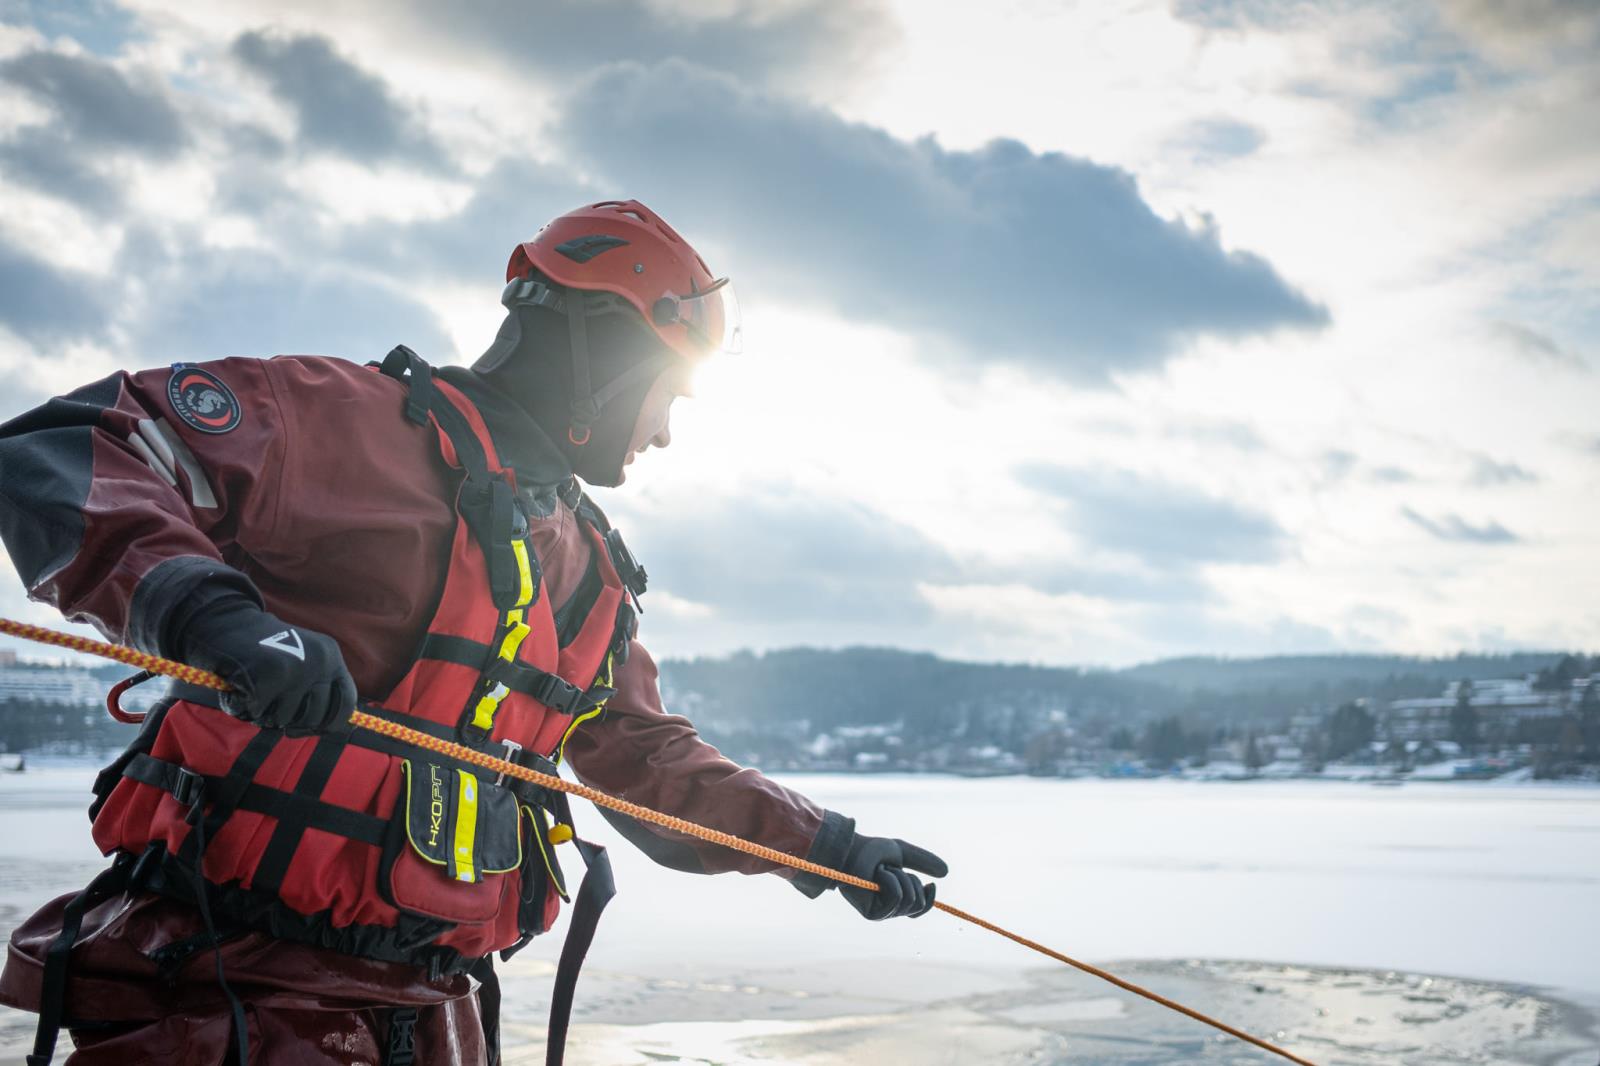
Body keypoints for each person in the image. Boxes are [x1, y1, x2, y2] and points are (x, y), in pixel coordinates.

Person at [0, 200, 948, 1065]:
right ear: (604, 356)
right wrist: (221, 623)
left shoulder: (589, 575)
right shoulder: (350, 428)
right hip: (227, 993)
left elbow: (649, 762)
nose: (663, 434)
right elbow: (67, 444)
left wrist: (825, 846)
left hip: (429, 1013)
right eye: (667, 392)